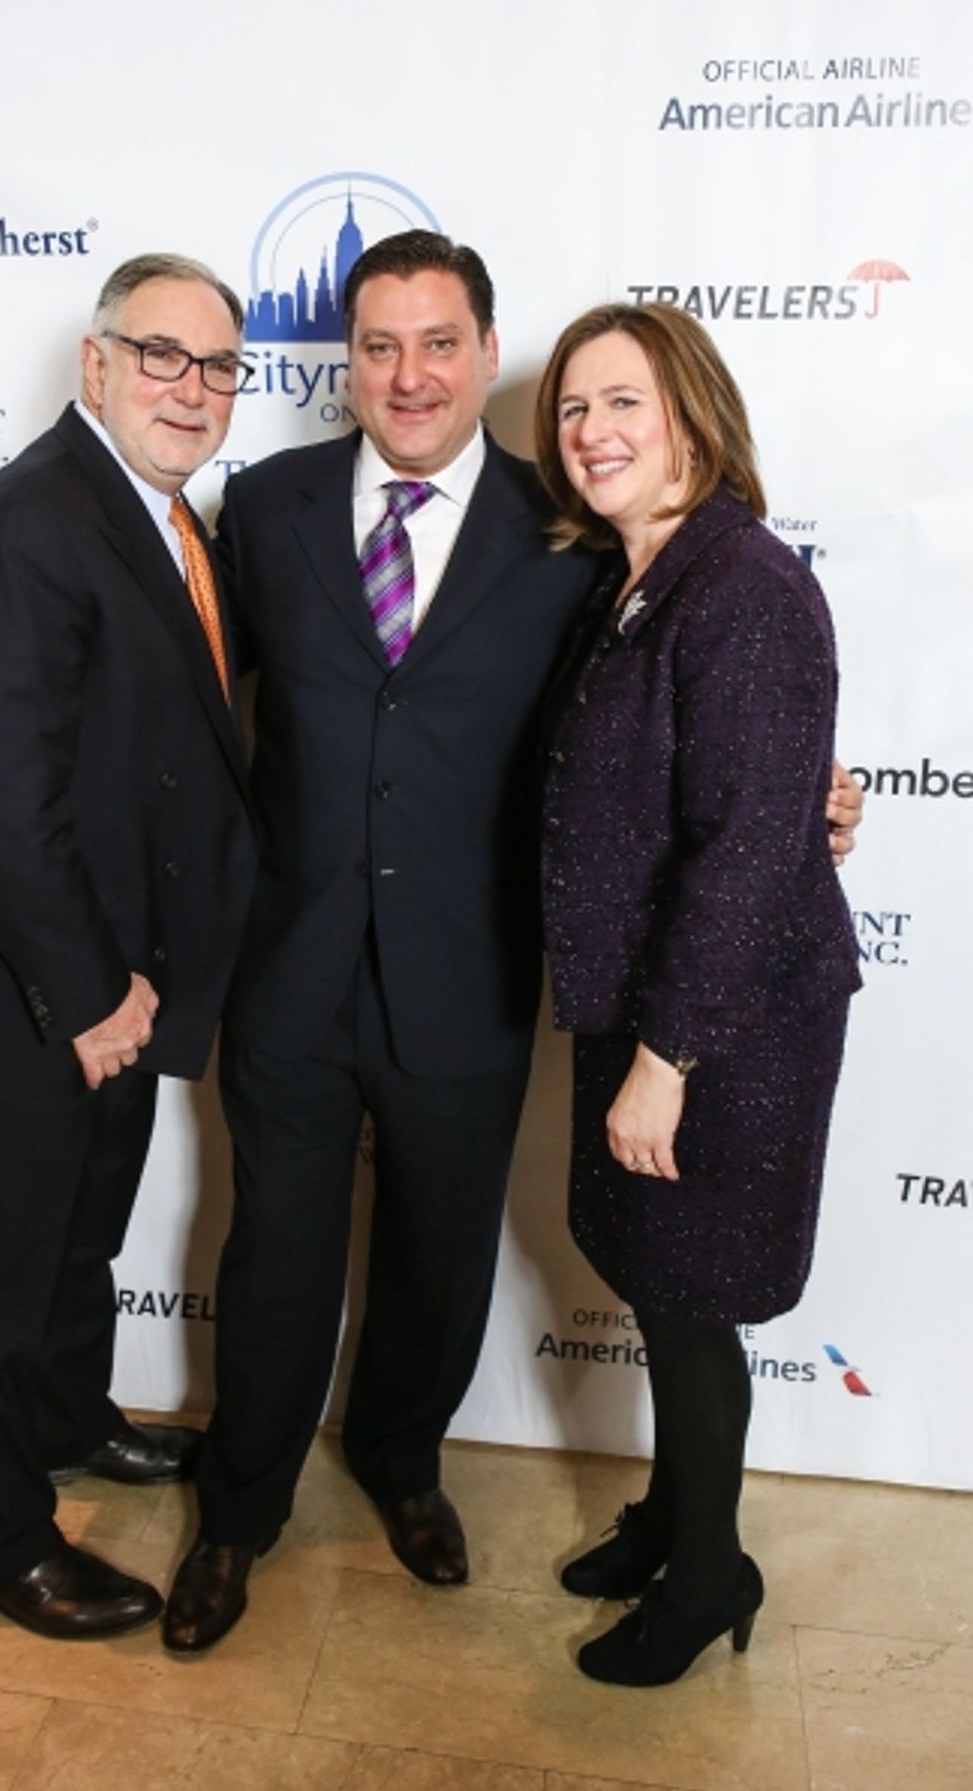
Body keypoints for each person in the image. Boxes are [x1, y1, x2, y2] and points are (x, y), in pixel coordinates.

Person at [162, 232, 863, 1653]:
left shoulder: (571, 533)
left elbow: (673, 737)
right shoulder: (264, 506)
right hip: (290, 968)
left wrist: (809, 803)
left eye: (439, 342)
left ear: (488, 354)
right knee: (275, 1258)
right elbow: (186, 724)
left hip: (472, 971)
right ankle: (239, 1509)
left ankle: (402, 1463)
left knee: (438, 1259)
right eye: (378, 344)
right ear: (346, 365)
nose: (409, 373)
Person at [0, 254, 258, 1638]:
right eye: (163, 355)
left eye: (218, 366)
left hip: (115, 986)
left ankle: (70, 1418)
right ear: (96, 364)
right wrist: (89, 987)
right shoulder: (31, 520)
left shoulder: (160, 516)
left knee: (74, 1243)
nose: (192, 389)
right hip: (22, 991)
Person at [534, 302, 861, 1686]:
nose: (592, 432)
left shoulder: (746, 587)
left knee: (692, 1299)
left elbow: (737, 854)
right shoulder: (641, 575)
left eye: (623, 402)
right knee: (665, 1283)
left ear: (692, 415)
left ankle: (710, 1572)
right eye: (572, 410)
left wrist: (666, 1055)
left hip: (725, 1024)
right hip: (652, 996)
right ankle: (675, 1516)